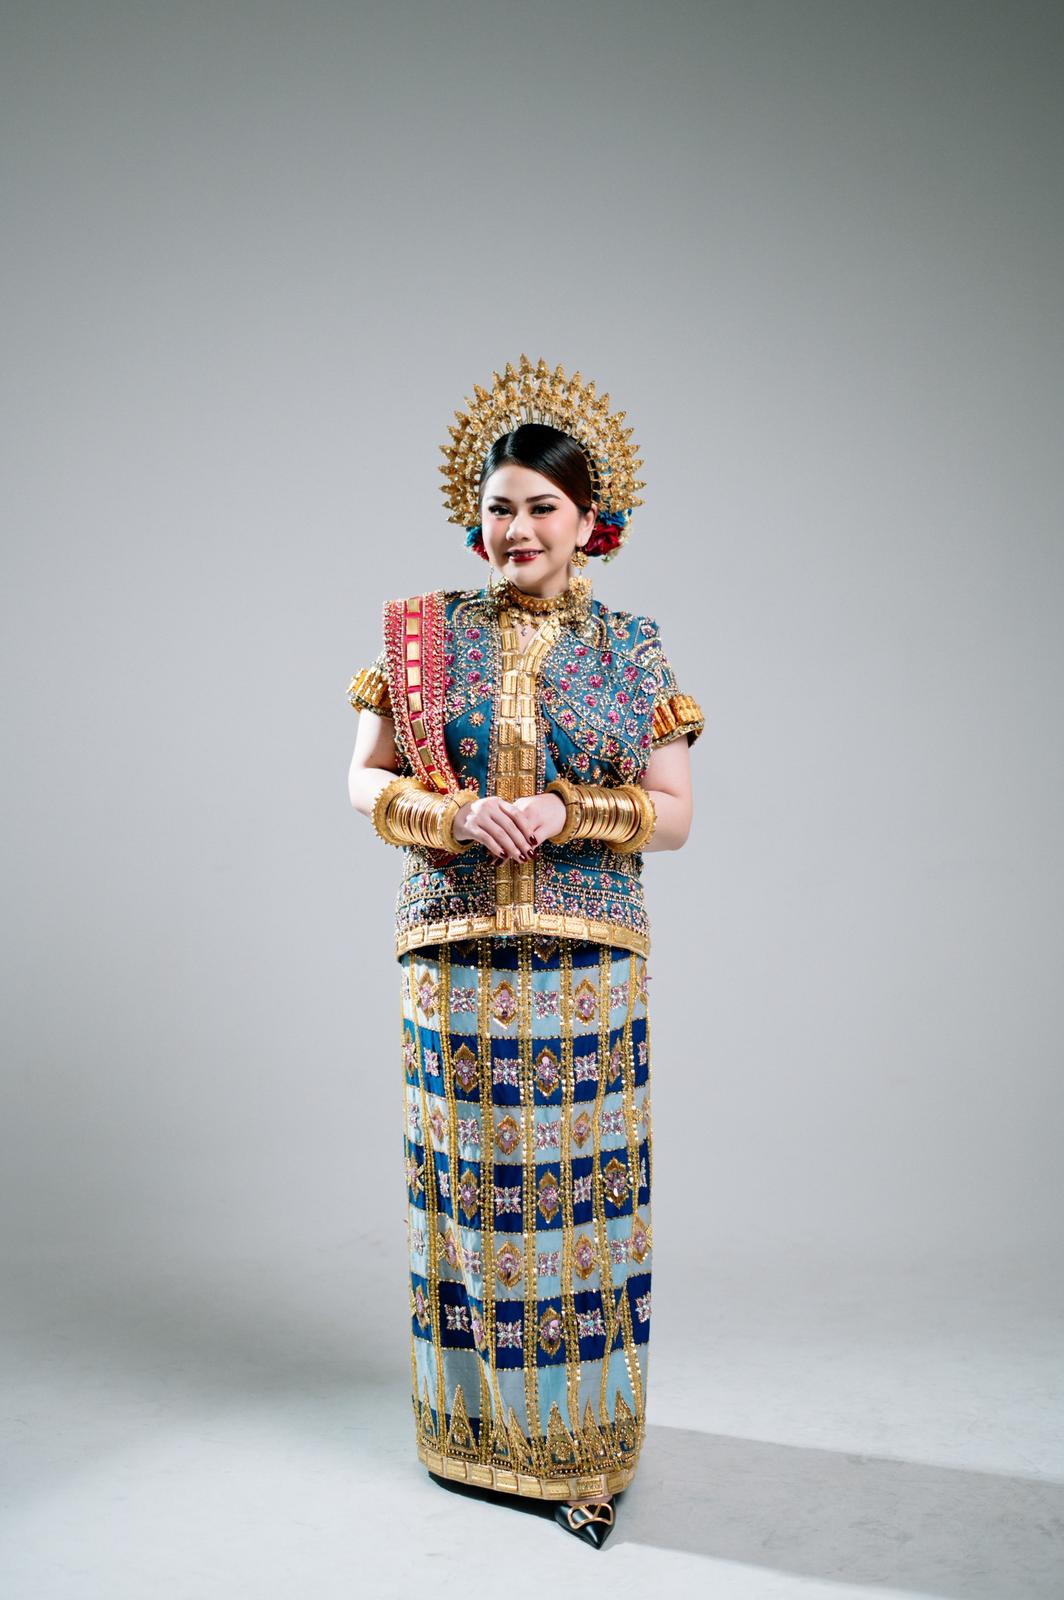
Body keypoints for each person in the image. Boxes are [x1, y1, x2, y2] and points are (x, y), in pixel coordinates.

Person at [346, 356, 704, 1547]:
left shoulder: (631, 648)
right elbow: (361, 781)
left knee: (577, 1202)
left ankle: (580, 1453)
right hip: (451, 950)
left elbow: (674, 814)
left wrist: (565, 810)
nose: (517, 528)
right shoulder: (421, 638)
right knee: (466, 1192)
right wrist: (448, 816)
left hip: (584, 960)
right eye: (498, 506)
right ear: (475, 517)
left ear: (591, 519)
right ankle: (473, 1440)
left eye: (542, 507)